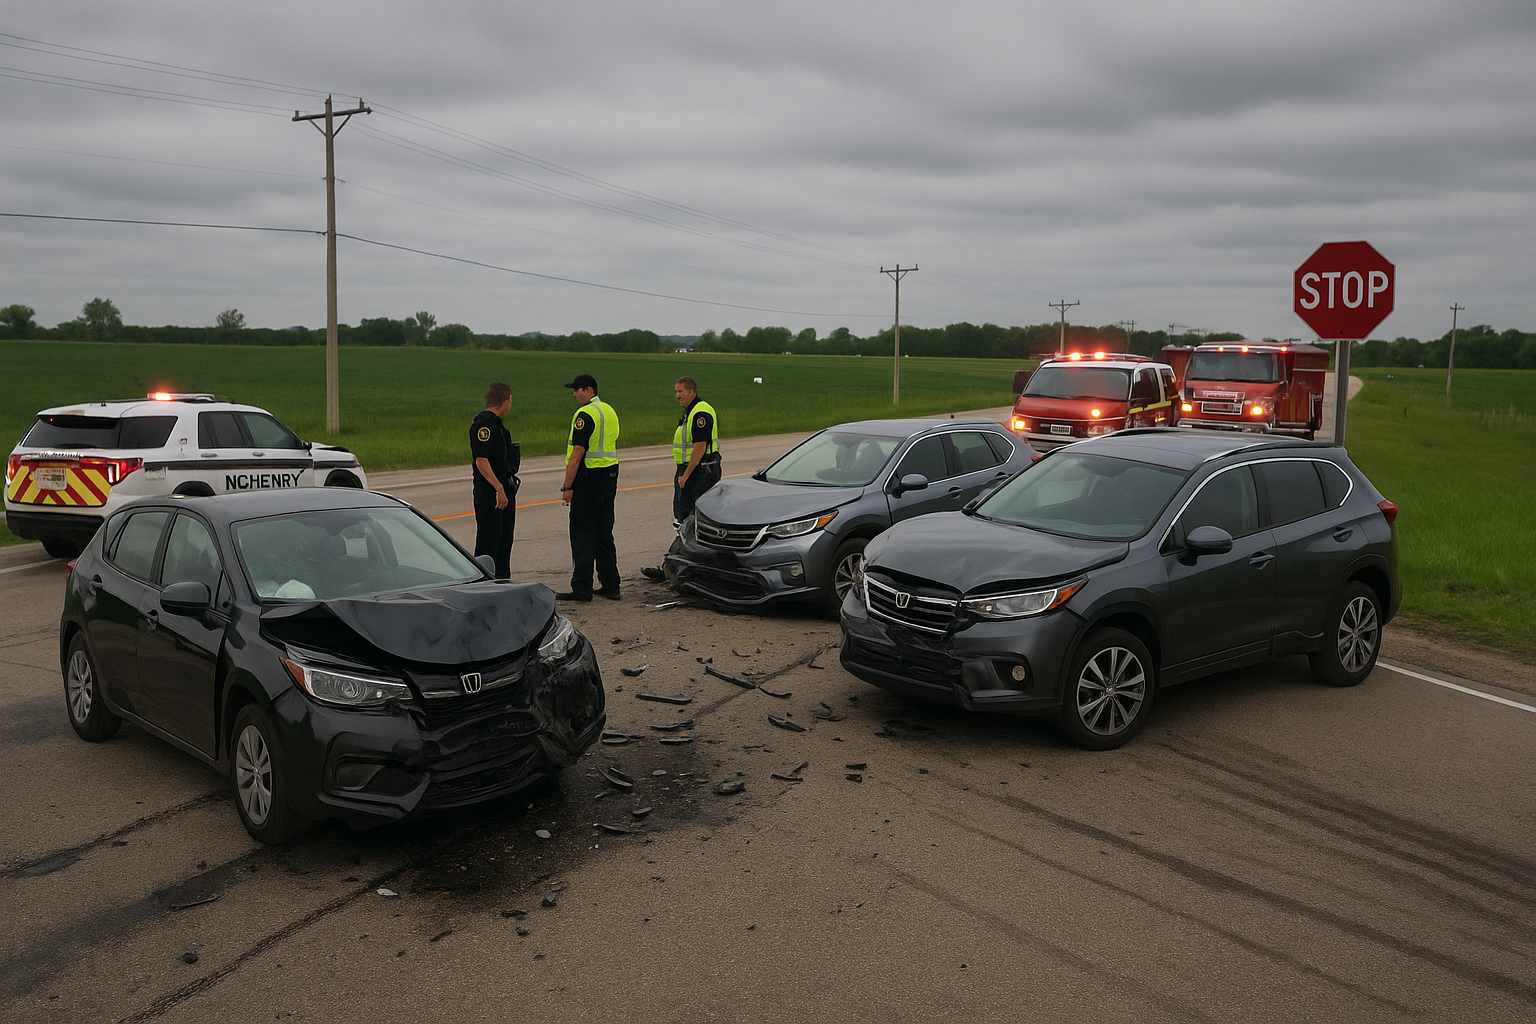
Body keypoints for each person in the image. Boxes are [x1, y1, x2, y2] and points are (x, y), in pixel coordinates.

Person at [642, 376, 721, 581]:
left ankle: (688, 569)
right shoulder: (690, 412)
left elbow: (700, 447)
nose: (677, 396)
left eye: (680, 392)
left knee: (690, 520)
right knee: (683, 519)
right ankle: (677, 566)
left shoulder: (700, 412)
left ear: (691, 392)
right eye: (675, 392)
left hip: (699, 472)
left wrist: (685, 475)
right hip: (692, 470)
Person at [557, 374, 621, 601]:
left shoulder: (585, 414)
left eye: (577, 389)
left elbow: (577, 454)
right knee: (604, 532)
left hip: (589, 477)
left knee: (582, 532)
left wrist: (567, 485)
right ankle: (611, 584)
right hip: (609, 475)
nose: (574, 394)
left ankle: (582, 587)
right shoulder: (609, 410)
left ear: (589, 390)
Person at [470, 382, 519, 579]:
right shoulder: (484, 425)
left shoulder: (497, 426)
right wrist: (498, 489)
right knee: (488, 545)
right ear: (505, 401)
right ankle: (483, 584)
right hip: (491, 495)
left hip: (504, 492)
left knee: (504, 543)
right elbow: (481, 461)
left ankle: (502, 582)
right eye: (511, 401)